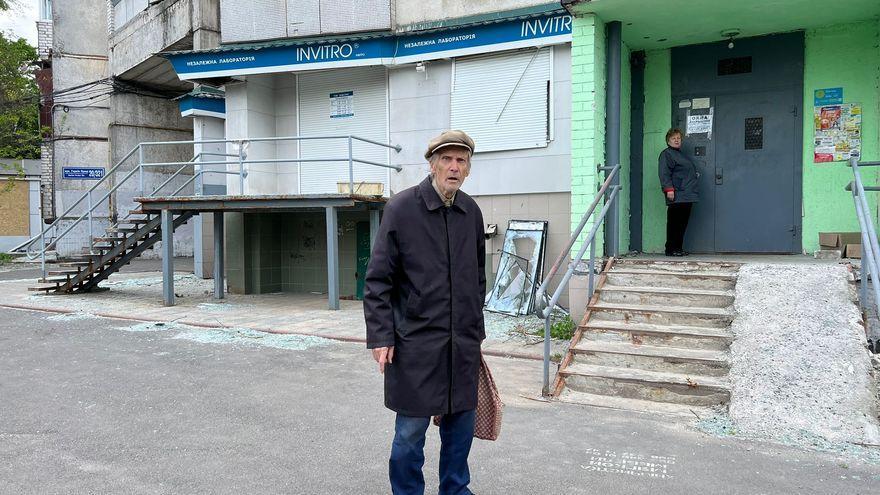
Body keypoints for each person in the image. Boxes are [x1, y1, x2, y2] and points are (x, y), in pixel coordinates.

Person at [364, 130, 486, 495]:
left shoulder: (471, 212)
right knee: (409, 435)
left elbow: (478, 277)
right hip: (416, 343)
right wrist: (382, 335)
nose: (453, 167)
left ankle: (455, 490)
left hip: (461, 344)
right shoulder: (401, 209)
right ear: (432, 165)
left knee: (460, 432)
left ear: (467, 169)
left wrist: (474, 331)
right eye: (446, 159)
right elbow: (378, 280)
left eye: (460, 161)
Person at [658, 128, 699, 256]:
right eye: (673, 138)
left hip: (686, 194)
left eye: (678, 138)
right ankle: (671, 249)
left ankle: (678, 248)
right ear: (668, 140)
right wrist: (669, 189)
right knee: (675, 222)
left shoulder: (680, 155)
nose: (676, 140)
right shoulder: (667, 154)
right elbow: (664, 173)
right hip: (677, 193)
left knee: (682, 222)